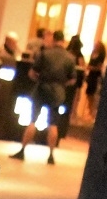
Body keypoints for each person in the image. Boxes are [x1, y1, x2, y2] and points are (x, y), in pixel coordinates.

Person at [15, 29, 80, 162]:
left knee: (32, 120)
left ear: (53, 39)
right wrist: (62, 84)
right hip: (58, 92)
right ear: (63, 41)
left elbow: (32, 73)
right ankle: (51, 155)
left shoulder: (44, 54)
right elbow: (73, 79)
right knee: (53, 123)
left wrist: (40, 79)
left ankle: (22, 150)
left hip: (41, 89)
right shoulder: (70, 58)